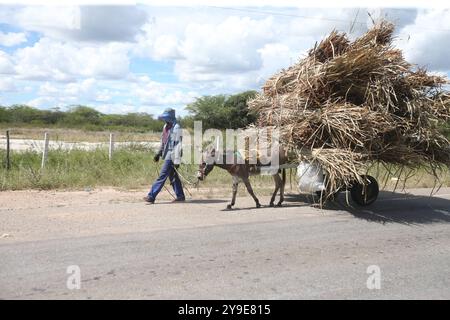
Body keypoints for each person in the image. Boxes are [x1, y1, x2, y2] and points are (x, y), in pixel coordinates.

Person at [144, 108, 185, 203]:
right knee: (173, 176)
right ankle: (180, 196)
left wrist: (177, 160)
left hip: (173, 155)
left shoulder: (177, 127)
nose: (165, 120)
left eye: (166, 118)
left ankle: (151, 196)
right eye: (164, 118)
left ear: (171, 117)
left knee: (162, 176)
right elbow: (163, 141)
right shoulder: (165, 127)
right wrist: (158, 153)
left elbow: (178, 144)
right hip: (167, 154)